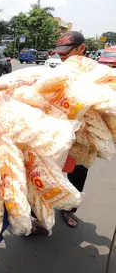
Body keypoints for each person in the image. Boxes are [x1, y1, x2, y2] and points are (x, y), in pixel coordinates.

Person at [52, 31, 88, 228]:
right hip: (58, 132)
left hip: (83, 136)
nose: (62, 56)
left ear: (81, 48)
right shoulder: (59, 72)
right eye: (59, 52)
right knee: (47, 170)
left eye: (66, 51)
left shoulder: (95, 72)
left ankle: (68, 209)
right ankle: (39, 212)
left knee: (77, 173)